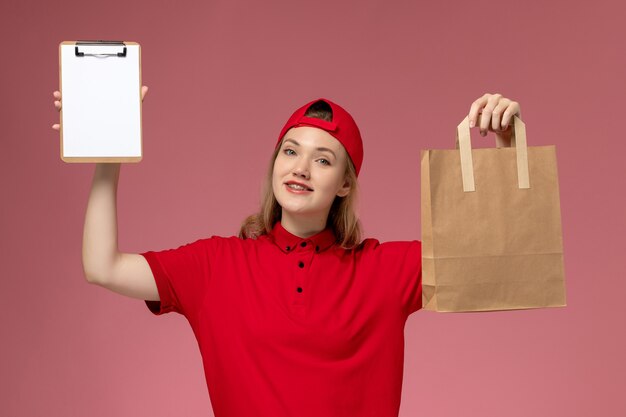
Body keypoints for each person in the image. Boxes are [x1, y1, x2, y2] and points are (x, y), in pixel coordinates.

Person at [51, 90, 521, 417]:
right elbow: (102, 265)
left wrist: (504, 149)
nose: (300, 168)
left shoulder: (385, 270)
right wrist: (107, 156)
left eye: (322, 158)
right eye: (290, 151)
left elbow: (497, 260)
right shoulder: (216, 267)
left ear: (344, 184)